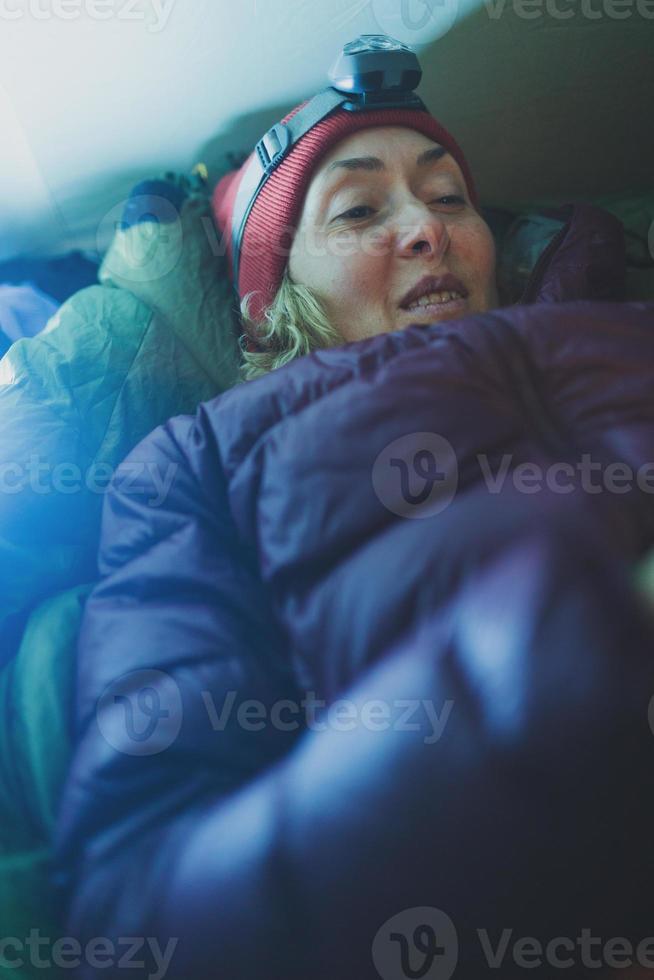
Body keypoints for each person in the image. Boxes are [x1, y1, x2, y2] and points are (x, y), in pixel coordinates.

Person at [54, 37, 654, 980]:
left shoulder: (627, 333)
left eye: (449, 197)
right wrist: (522, 677)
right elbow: (140, 914)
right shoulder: (193, 463)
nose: (427, 229)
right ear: (276, 291)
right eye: (360, 209)